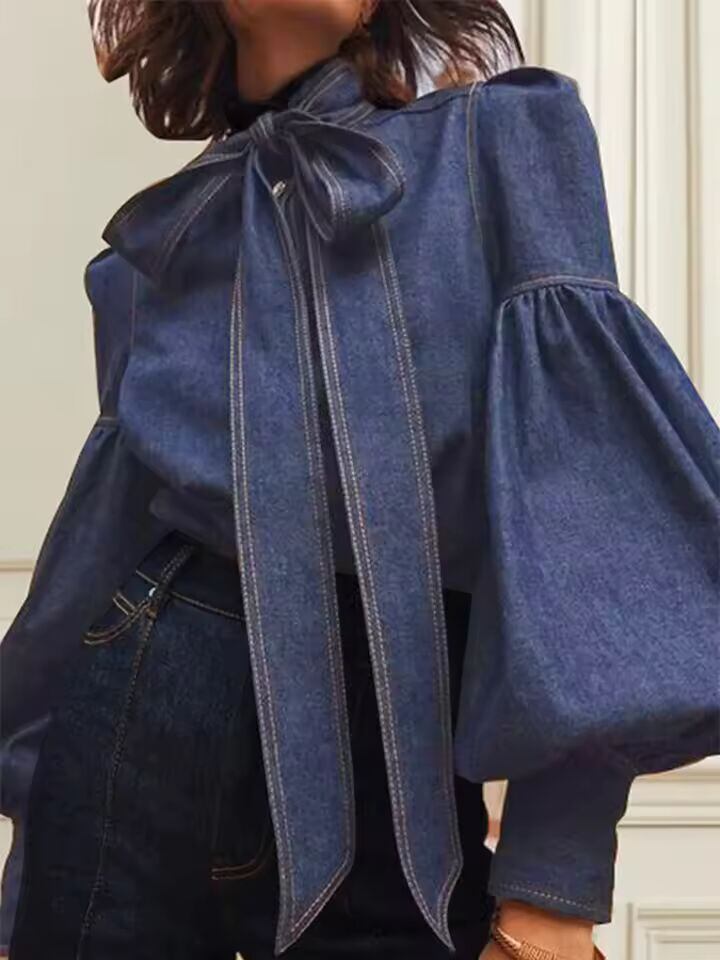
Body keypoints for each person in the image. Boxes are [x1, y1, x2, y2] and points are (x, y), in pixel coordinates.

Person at [2, 1, 719, 957]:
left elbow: (596, 524)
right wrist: (27, 883)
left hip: (398, 779)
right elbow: (96, 554)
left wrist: (553, 888)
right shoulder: (166, 235)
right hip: (135, 742)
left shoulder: (503, 141)